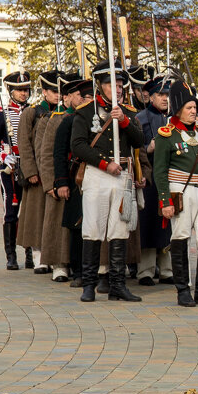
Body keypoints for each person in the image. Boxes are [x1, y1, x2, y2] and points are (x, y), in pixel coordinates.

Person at [71, 60, 145, 303]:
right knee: (92, 228)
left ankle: (117, 285)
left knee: (119, 229)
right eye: (112, 84)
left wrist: (123, 120)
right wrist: (105, 163)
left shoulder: (129, 113)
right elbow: (78, 146)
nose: (119, 89)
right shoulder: (85, 112)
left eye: (121, 84)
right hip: (97, 174)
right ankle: (89, 285)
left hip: (122, 175)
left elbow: (139, 140)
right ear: (100, 86)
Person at [155, 80, 198, 308]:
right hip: (180, 192)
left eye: (195, 107)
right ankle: (183, 290)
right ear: (177, 110)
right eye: (189, 108)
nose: (194, 111)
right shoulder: (167, 136)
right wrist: (165, 200)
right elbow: (160, 171)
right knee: (181, 239)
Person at [38, 74, 82, 281]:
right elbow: (47, 154)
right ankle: (59, 265)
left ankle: (78, 264)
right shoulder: (56, 120)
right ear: (68, 97)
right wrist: (50, 183)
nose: (83, 98)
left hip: (80, 179)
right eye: (79, 95)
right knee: (57, 225)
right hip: (60, 178)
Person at [17, 70, 62, 271]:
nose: (57, 95)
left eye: (60, 91)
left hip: (54, 170)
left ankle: (53, 256)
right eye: (53, 91)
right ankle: (38, 257)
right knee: (37, 216)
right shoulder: (31, 113)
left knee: (52, 216)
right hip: (36, 172)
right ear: (44, 92)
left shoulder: (62, 113)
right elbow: (24, 144)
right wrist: (31, 171)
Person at [0, 72, 32, 268]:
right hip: (10, 170)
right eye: (20, 90)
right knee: (11, 212)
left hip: (30, 167)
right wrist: (4, 157)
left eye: (26, 89)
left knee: (30, 212)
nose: (24, 93)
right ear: (11, 91)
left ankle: (31, 254)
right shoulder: (2, 115)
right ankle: (11, 256)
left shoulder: (33, 113)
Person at [53, 75, 92, 288]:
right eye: (82, 96)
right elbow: (59, 154)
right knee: (77, 226)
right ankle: (79, 271)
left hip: (96, 176)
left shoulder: (97, 119)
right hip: (76, 177)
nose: (86, 100)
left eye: (89, 96)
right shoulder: (69, 121)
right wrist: (61, 182)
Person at [135, 76, 173, 286]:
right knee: (149, 224)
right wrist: (147, 148)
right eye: (160, 94)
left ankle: (167, 270)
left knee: (167, 225)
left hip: (169, 178)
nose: (165, 98)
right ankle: (146, 271)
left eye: (167, 94)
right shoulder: (140, 118)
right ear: (150, 96)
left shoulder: (173, 119)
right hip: (149, 178)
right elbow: (135, 148)